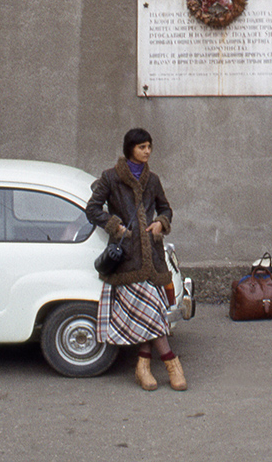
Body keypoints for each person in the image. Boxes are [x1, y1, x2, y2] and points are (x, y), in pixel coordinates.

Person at [85, 128, 186, 392]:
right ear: (130, 148)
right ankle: (172, 364)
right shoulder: (111, 178)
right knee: (153, 313)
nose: (147, 151)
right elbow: (92, 209)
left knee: (147, 317)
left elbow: (165, 208)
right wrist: (116, 226)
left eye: (149, 146)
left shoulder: (152, 179)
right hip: (127, 259)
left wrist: (160, 223)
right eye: (142, 147)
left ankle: (143, 368)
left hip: (152, 257)